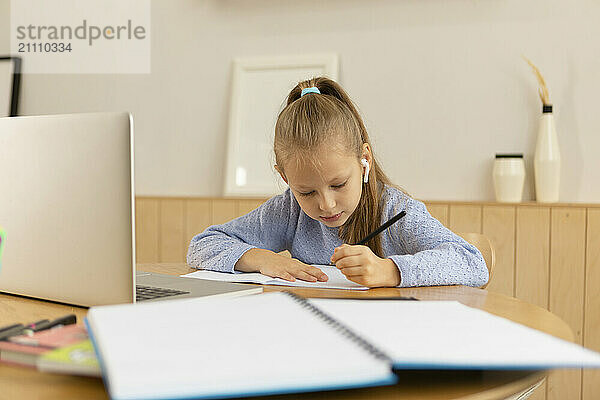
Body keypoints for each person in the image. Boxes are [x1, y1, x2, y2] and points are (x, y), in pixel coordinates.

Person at [187, 77, 488, 288]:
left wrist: (390, 270)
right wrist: (262, 259)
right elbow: (201, 245)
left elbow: (472, 262)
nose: (326, 204)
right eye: (306, 191)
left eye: (339, 184)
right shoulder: (289, 211)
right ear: (284, 178)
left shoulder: (396, 211)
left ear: (364, 160)